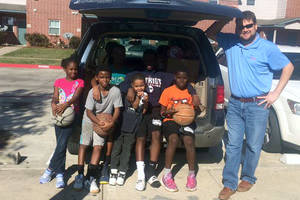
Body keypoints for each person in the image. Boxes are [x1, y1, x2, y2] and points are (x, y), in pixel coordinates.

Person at [206, 11, 294, 200]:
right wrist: (223, 19)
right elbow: (209, 34)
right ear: (237, 28)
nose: (244, 30)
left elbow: (288, 67)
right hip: (236, 104)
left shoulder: (267, 48)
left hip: (258, 105)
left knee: (254, 145)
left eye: (248, 26)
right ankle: (229, 183)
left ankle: (248, 177)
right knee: (233, 145)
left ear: (255, 26)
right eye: (241, 27)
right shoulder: (231, 42)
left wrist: (275, 93)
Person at [120, 49, 200, 191]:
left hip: (156, 111)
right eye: (147, 59)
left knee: (156, 135)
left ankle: (151, 170)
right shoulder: (136, 73)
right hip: (140, 111)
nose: (149, 62)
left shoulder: (165, 75)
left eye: (152, 59)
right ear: (143, 59)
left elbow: (183, 81)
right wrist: (130, 90)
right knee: (141, 138)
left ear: (157, 61)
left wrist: (193, 93)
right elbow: (124, 83)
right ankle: (141, 174)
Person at [73, 66, 123, 194]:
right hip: (90, 119)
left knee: (98, 147)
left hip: (105, 121)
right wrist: (98, 122)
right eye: (101, 77)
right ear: (97, 78)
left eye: (107, 77)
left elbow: (117, 109)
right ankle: (79, 174)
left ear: (111, 78)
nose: (105, 79)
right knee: (84, 144)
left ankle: (91, 177)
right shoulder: (92, 92)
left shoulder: (115, 91)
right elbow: (89, 112)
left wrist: (112, 122)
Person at [40, 56, 84, 188]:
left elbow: (76, 96)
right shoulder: (58, 81)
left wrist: (65, 104)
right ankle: (60, 173)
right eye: (70, 69)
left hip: (71, 117)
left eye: (75, 69)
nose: (73, 72)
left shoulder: (80, 82)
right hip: (58, 116)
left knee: (62, 144)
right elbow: (55, 96)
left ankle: (49, 171)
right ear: (65, 69)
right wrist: (53, 103)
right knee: (61, 145)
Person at [91, 44, 131, 184]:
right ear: (112, 55)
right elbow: (94, 77)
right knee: (102, 135)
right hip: (105, 108)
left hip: (120, 105)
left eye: (122, 53)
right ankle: (101, 163)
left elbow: (133, 82)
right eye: (117, 53)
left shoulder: (128, 70)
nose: (120, 55)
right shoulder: (107, 68)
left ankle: (107, 162)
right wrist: (95, 87)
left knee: (112, 135)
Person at [159, 69, 199, 192]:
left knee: (188, 141)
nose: (181, 80)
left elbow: (197, 110)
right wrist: (169, 112)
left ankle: (191, 175)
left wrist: (195, 109)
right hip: (170, 120)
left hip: (187, 121)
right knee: (173, 139)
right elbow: (162, 112)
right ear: (174, 78)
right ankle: (166, 174)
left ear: (188, 79)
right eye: (179, 77)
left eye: (184, 78)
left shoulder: (191, 92)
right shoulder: (168, 91)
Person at [109, 73, 148, 186]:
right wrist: (137, 96)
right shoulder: (128, 94)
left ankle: (122, 172)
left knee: (126, 151)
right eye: (137, 86)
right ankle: (113, 171)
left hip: (132, 129)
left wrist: (144, 101)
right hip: (121, 127)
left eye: (142, 85)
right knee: (116, 150)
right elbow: (135, 105)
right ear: (132, 86)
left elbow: (143, 111)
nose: (139, 88)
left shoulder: (145, 96)